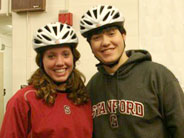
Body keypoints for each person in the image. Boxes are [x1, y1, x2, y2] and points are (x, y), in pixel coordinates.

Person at [79, 4, 184, 138]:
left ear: (123, 35)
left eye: (111, 34)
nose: (105, 42)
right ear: (90, 46)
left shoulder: (158, 76)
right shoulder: (92, 86)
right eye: (96, 38)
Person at [0, 22, 93, 138]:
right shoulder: (23, 100)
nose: (60, 63)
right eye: (51, 56)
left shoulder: (83, 97)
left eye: (65, 54)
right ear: (41, 61)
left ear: (74, 58)